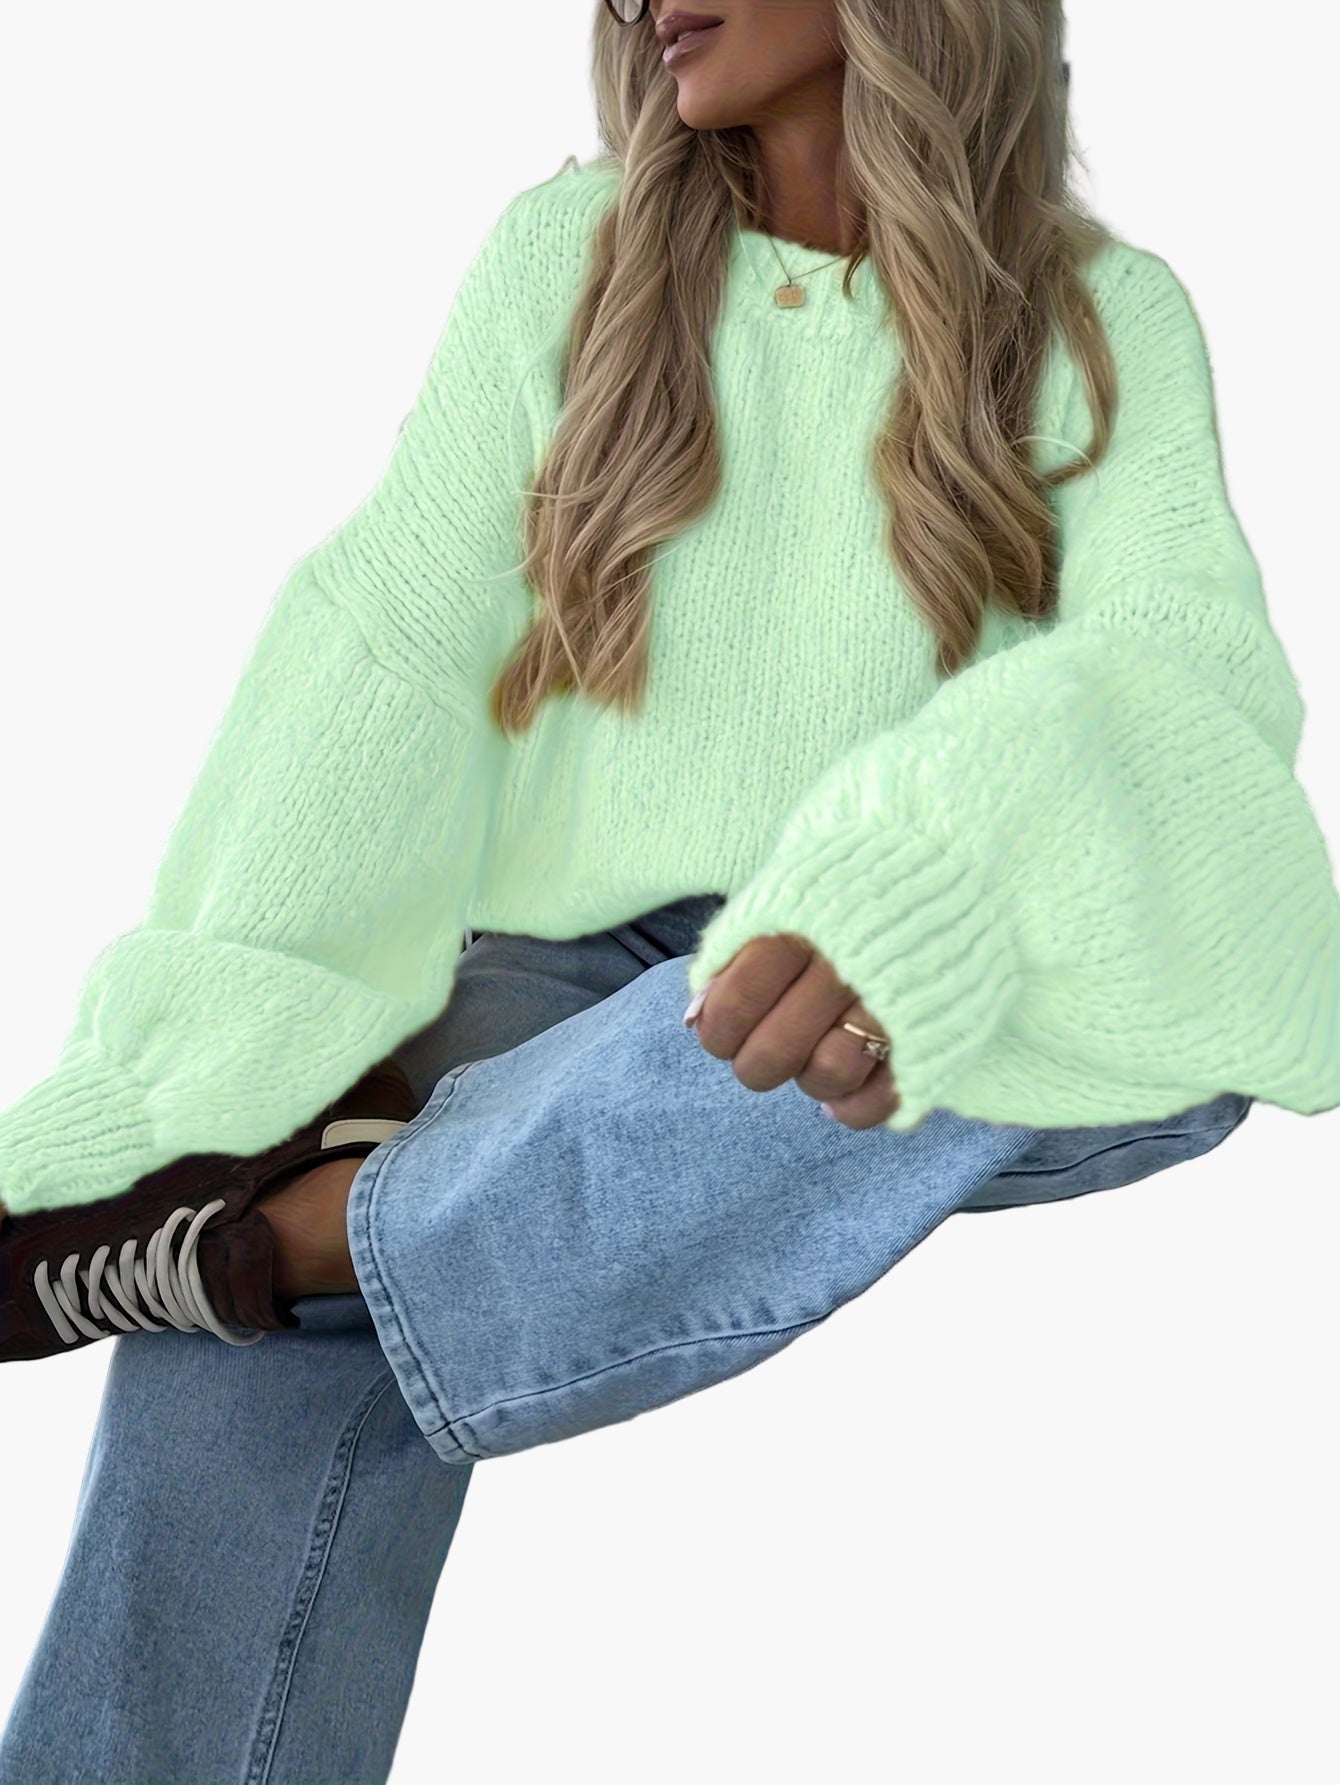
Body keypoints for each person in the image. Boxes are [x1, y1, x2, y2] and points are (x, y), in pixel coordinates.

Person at [1, 1, 1336, 1777]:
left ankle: (293, 1234)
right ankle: (266, 1236)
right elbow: (388, 653)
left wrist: (913, 880)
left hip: (935, 942)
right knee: (261, 1322)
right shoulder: (570, 256)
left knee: (919, 997)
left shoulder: (1102, 316)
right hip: (575, 972)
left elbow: (1177, 673)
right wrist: (192, 1058)